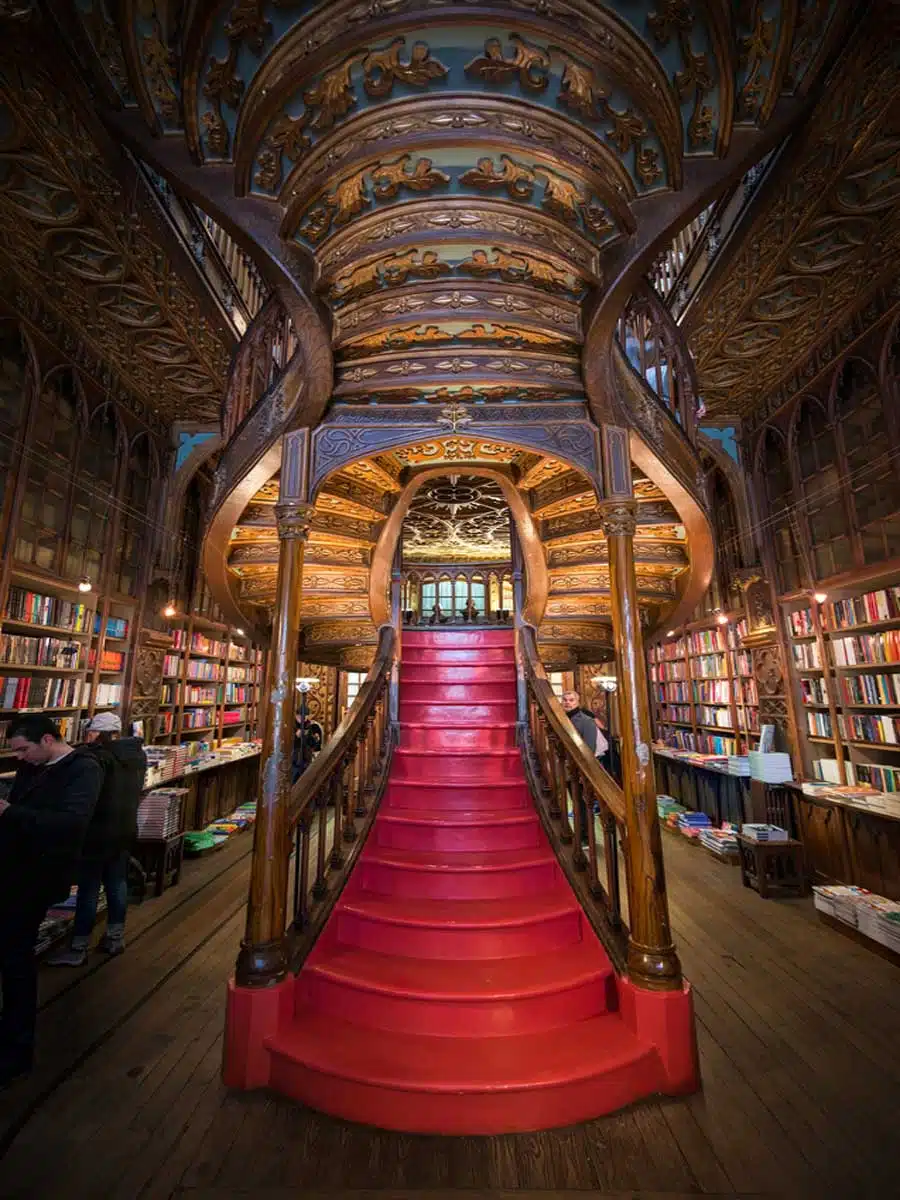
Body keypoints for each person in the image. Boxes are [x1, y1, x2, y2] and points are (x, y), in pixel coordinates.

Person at [0, 715, 102, 1086]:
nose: (20, 759)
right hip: (12, 871)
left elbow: (71, 824)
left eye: (24, 750)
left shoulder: (83, 769)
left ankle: (16, 1050)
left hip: (36, 878)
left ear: (46, 739)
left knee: (15, 960)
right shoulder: (34, 765)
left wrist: (9, 813)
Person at [46, 712, 147, 968]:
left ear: (95, 733)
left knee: (88, 890)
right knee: (117, 883)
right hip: (124, 828)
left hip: (96, 832)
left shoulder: (96, 760)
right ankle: (115, 937)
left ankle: (79, 946)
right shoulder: (136, 755)